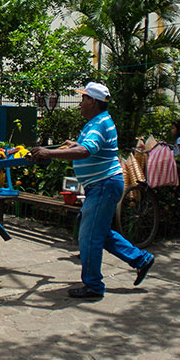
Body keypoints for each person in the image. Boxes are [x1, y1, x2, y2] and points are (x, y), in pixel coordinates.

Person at [29, 82, 154, 300]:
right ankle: (140, 259)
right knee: (100, 233)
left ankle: (93, 286)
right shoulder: (98, 121)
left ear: (93, 102)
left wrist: (49, 153)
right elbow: (89, 146)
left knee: (88, 237)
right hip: (103, 185)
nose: (80, 104)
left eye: (84, 99)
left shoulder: (99, 124)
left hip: (103, 185)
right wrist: (73, 144)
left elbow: (86, 151)